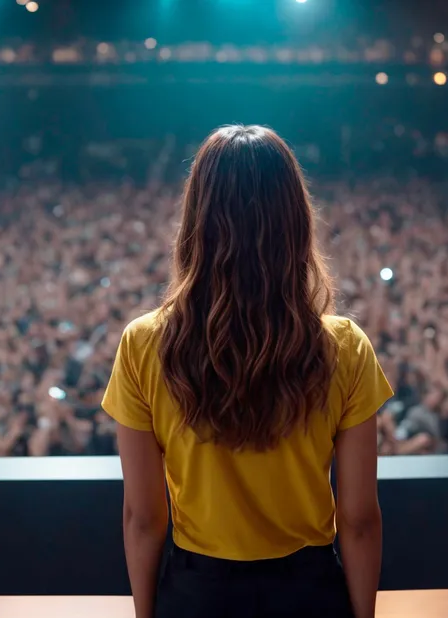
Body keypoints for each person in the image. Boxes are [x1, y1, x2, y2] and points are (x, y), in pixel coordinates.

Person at [103, 125, 392, 618]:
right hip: (309, 594)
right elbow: (360, 519)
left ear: (196, 220)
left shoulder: (143, 343)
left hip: (197, 596)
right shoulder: (346, 347)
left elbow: (144, 518)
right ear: (296, 222)